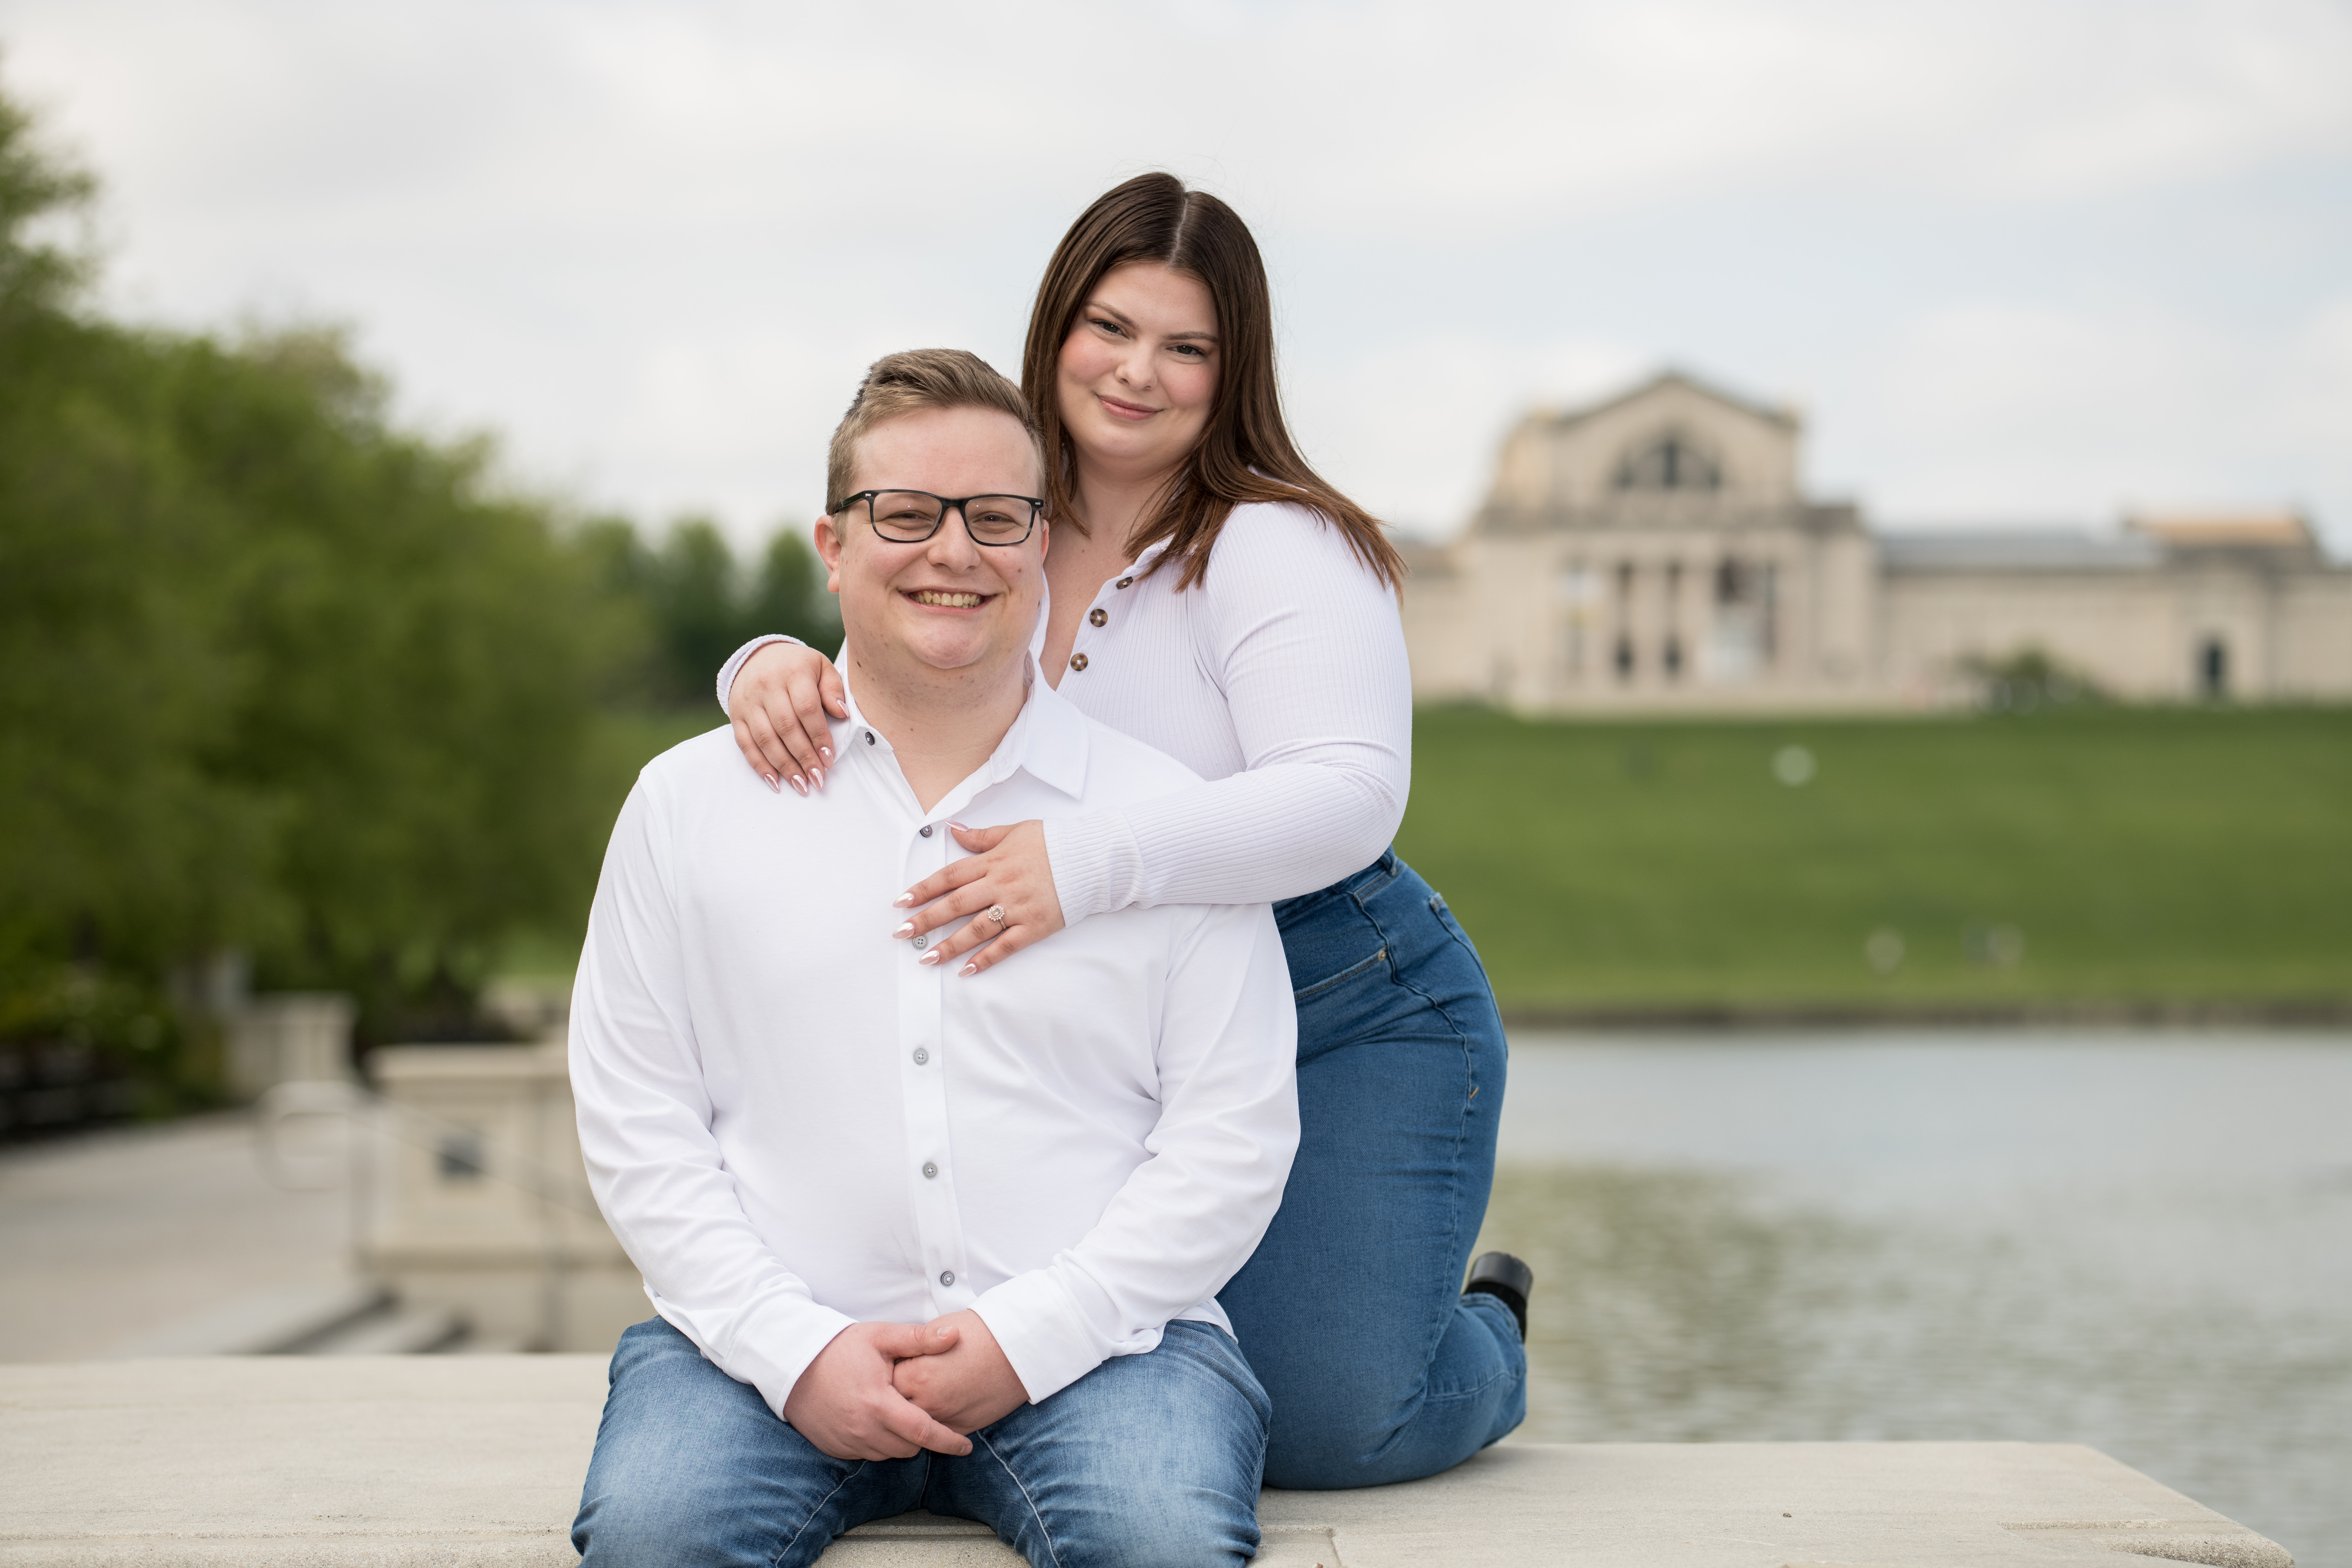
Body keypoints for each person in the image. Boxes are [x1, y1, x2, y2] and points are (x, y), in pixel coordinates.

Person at [715, 173, 1531, 1490]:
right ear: (1055, 329)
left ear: (1234, 367)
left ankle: (1487, 1332)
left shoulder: (1275, 542)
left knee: (1319, 1425)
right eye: (1110, 326)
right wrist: (762, 665)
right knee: (1109, 1359)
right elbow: (901, 630)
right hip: (1112, 1018)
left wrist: (1083, 864)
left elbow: (1350, 791)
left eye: (1187, 346)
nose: (1138, 372)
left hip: (1342, 1001)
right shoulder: (1006, 506)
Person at [568, 348, 1301, 1568]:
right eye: (904, 514)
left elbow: (1232, 1133)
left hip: (1102, 1350)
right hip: (763, 1352)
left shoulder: (1155, 817)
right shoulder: (685, 802)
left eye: (995, 516)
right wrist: (793, 1349)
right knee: (656, 1536)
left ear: (1046, 542)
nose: (952, 551)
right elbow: (637, 1113)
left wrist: (1028, 1336)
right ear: (833, 544)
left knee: (1159, 1540)